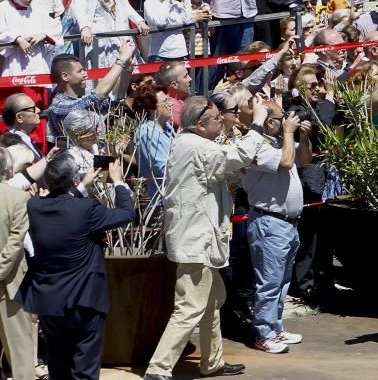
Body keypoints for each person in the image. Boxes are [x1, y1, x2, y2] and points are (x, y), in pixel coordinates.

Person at [143, 96, 268, 380]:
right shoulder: (197, 146)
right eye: (216, 119)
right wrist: (257, 124)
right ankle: (158, 368)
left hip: (200, 239)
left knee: (211, 301)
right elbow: (233, 157)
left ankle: (212, 362)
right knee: (189, 306)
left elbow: (225, 164)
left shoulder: (191, 143)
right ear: (200, 125)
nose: (221, 122)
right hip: (195, 242)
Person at [17, 152, 134, 380]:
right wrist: (118, 181)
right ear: (72, 181)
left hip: (49, 301)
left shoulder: (34, 207)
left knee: (58, 368)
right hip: (84, 301)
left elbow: (64, 209)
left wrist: (80, 186)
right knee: (85, 370)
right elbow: (127, 213)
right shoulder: (87, 209)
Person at [245, 108, 312, 353]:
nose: (285, 120)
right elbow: (285, 162)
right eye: (278, 116)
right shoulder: (255, 145)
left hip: (288, 223)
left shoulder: (280, 141)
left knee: (282, 281)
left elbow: (304, 160)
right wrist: (288, 132)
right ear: (266, 120)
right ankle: (263, 333)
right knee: (269, 282)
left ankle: (275, 327)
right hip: (269, 222)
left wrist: (302, 137)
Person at [0, 148, 32, 380]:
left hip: (9, 286)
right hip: (9, 284)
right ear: (9, 170)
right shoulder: (18, 198)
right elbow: (15, 241)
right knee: (20, 351)